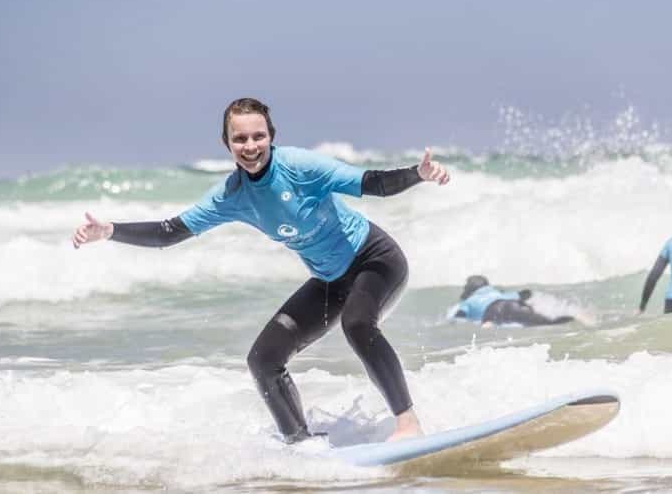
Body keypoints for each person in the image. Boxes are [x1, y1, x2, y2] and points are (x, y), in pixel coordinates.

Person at [72, 97, 450, 444]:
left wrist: (419, 174)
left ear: (271, 136)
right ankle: (299, 444)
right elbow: (168, 233)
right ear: (227, 143)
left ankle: (407, 423)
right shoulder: (231, 196)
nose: (250, 146)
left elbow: (373, 182)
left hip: (375, 260)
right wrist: (109, 231)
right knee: (264, 359)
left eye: (258, 136)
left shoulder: (300, 167)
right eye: (240, 139)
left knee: (357, 324)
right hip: (330, 280)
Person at [451, 275, 574, 326]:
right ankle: (569, 316)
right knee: (540, 318)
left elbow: (460, 316)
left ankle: (567, 317)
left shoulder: (467, 302)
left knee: (539, 321)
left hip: (492, 312)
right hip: (511, 304)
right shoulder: (494, 292)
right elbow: (522, 294)